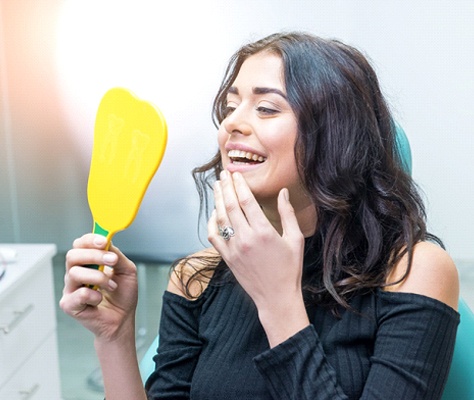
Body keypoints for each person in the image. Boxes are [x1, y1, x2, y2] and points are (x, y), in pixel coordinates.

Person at [60, 32, 460, 399]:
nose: (232, 122)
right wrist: (113, 337)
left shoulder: (411, 271)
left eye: (266, 108)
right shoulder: (194, 277)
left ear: (337, 135)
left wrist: (278, 303)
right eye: (231, 106)